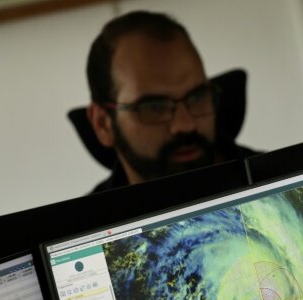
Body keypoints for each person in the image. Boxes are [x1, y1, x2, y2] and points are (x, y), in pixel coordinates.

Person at [84, 10, 256, 192]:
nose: (186, 124)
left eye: (197, 97)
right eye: (154, 107)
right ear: (102, 124)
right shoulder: (88, 220)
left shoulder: (282, 180)